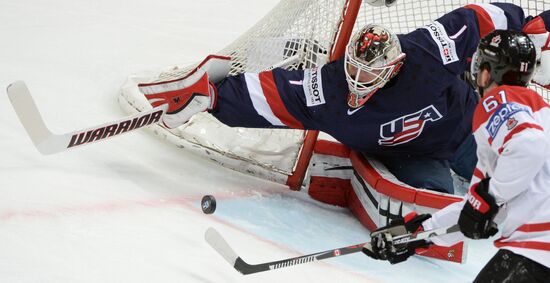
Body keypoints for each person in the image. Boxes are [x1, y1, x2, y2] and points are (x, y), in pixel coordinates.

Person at [138, 3, 549, 194]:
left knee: (523, 183)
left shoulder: (422, 54)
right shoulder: (329, 90)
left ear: (393, 66)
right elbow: (270, 95)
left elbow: (475, 19)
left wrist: (529, 25)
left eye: (369, 73)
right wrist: (212, 98)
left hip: (465, 129)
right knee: (437, 197)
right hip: (408, 156)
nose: (357, 81)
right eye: (354, 69)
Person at [362, 30, 550, 282]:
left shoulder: (497, 102)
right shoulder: (539, 113)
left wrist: (489, 199)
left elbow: (529, 146)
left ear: (485, 71)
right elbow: (477, 205)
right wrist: (420, 234)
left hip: (538, 248)